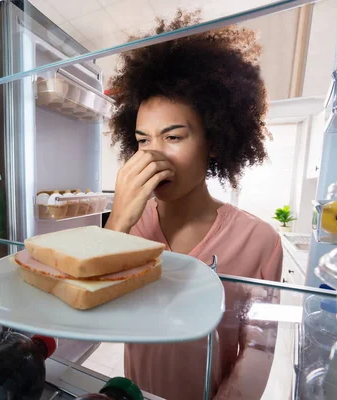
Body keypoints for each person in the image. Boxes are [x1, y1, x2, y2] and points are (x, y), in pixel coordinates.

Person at [105, 10, 283, 400]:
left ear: (214, 141)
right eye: (142, 140)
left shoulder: (260, 240)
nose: (154, 157)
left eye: (173, 137)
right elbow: (92, 312)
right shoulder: (127, 229)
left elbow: (259, 347)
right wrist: (116, 222)